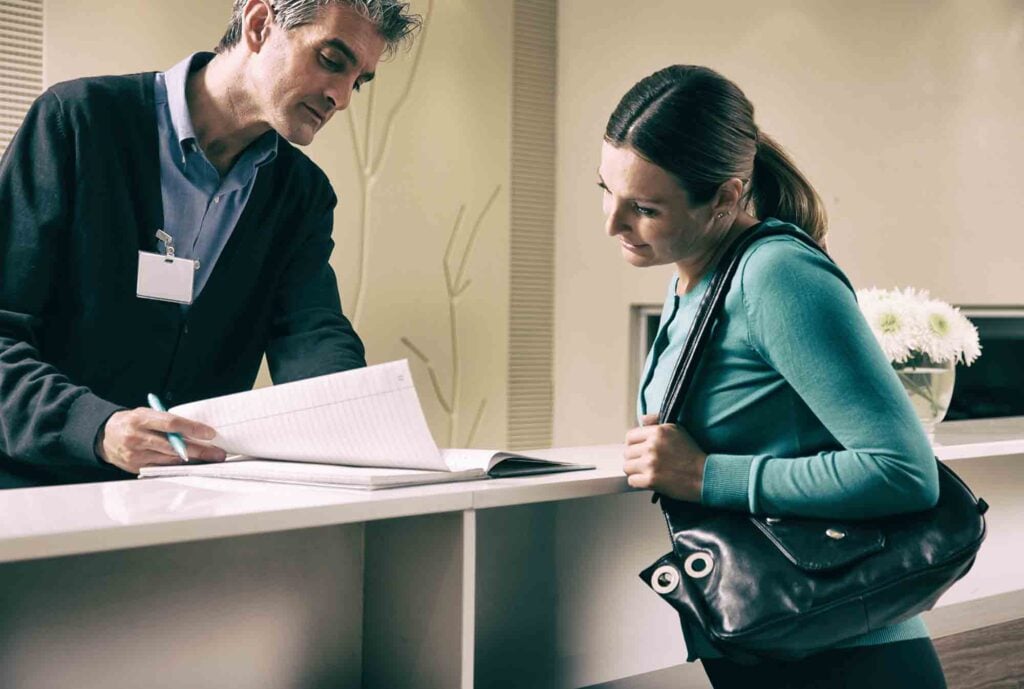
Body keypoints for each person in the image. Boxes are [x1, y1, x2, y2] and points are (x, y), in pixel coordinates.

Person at [601, 66, 948, 688]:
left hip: (846, 657)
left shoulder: (776, 275)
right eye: (606, 190)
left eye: (645, 208)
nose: (612, 223)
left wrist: (705, 474)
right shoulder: (694, 277)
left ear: (728, 198)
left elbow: (903, 471)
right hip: (770, 647)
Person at [0, 0, 421, 488]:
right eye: (331, 61)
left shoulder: (302, 194)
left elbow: (311, 334)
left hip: (191, 504)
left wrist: (367, 423)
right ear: (260, 24)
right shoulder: (79, 121)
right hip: (32, 492)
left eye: (359, 81)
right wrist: (96, 428)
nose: (342, 97)